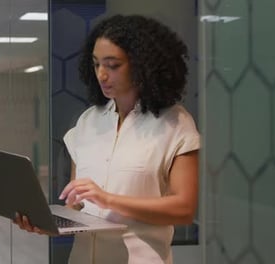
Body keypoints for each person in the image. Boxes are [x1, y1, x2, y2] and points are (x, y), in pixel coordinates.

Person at [15, 14, 200, 264]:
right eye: (96, 64)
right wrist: (47, 224)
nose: (101, 74)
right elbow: (76, 205)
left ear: (142, 65)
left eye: (112, 65)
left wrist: (108, 199)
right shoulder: (88, 121)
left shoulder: (175, 123)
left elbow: (184, 209)